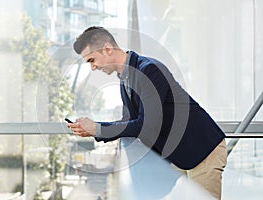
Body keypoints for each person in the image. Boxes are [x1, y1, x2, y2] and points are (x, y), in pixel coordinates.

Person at [67, 26, 227, 199]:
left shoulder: (149, 70)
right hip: (176, 155)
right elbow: (128, 122)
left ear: (107, 49)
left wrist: (97, 128)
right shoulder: (125, 81)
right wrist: (94, 128)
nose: (93, 67)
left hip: (201, 149)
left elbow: (147, 125)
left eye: (92, 60)